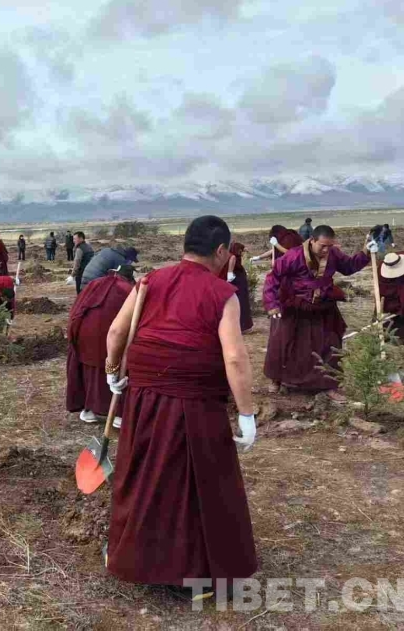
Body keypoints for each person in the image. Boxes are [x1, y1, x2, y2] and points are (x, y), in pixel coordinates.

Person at [104, 215, 257, 597]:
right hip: (196, 406)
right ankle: (194, 575)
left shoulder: (149, 281)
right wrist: (247, 413)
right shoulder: (222, 293)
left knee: (143, 475)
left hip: (143, 400)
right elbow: (235, 358)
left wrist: (112, 370)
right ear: (221, 251)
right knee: (197, 484)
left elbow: (117, 330)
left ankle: (134, 555)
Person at [263, 225, 374, 401]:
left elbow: (349, 266)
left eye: (330, 246)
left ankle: (329, 385)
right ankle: (277, 379)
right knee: (284, 341)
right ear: (312, 240)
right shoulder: (293, 256)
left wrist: (365, 251)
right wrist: (272, 303)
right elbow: (273, 277)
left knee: (331, 343)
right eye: (322, 246)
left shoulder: (333, 254)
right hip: (295, 306)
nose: (326, 250)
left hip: (323, 306)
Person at [66, 266, 135, 427]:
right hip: (111, 336)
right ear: (130, 278)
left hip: (84, 333)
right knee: (117, 371)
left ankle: (88, 409)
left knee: (89, 372)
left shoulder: (95, 283)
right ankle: (118, 413)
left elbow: (77, 309)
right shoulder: (128, 290)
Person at [220, 242, 253, 333]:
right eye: (240, 250)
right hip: (237, 282)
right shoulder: (233, 257)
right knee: (241, 303)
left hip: (237, 281)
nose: (241, 252)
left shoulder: (228, 256)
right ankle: (242, 326)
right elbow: (230, 272)